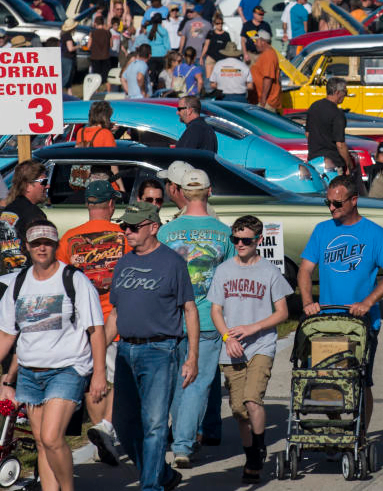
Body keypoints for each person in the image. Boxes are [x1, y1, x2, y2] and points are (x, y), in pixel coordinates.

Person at [0, 222, 107, 491]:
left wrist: (98, 373)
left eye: (47, 243)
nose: (41, 248)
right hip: (29, 372)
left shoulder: (74, 280)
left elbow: (95, 330)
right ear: (26, 247)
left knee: (51, 437)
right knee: (40, 441)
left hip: (67, 369)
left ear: (56, 245)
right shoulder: (19, 282)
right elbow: (6, 333)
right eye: (36, 243)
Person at [105, 201, 198, 491]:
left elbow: (190, 309)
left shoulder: (173, 263)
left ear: (153, 227)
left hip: (160, 351)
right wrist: (94, 352)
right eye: (125, 227)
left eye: (134, 227)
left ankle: (151, 486)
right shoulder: (124, 262)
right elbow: (116, 314)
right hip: (125, 351)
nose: (127, 232)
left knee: (155, 425)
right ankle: (163, 475)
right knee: (123, 423)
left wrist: (192, 356)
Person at [298, 176, 383, 429]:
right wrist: (308, 302)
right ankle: (337, 427)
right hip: (327, 321)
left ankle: (359, 434)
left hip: (361, 322)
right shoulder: (322, 231)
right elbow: (304, 270)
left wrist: (367, 302)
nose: (332, 208)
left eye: (337, 203)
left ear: (354, 200)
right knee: (326, 379)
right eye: (328, 203)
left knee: (360, 379)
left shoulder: (375, 234)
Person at [158, 169, 233, 469]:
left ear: (182, 194)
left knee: (180, 380)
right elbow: (228, 280)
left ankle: (181, 437)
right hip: (206, 318)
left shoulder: (165, 233)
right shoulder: (224, 233)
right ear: (209, 191)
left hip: (171, 318)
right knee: (198, 382)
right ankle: (184, 444)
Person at [208, 215, 291, 483]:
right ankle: (252, 450)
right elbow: (216, 310)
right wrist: (226, 337)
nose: (240, 244)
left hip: (261, 346)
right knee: (238, 411)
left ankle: (256, 454)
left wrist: (253, 328)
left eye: (246, 240)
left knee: (252, 400)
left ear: (259, 240)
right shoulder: (223, 271)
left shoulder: (269, 271)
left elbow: (282, 313)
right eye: (236, 239)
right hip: (231, 349)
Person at [56, 179, 129, 466]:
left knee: (92, 385)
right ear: (111, 204)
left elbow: (62, 281)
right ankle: (106, 435)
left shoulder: (70, 239)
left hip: (82, 323)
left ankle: (101, 438)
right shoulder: (124, 236)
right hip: (115, 319)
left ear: (88, 205)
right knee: (118, 380)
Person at [0, 159, 49, 270]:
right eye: (43, 182)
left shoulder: (8, 210)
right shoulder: (34, 214)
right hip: (31, 276)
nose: (47, 185)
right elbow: (44, 252)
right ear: (28, 186)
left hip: (11, 275)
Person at [306, 77, 356, 177]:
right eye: (344, 91)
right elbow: (340, 144)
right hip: (333, 164)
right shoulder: (337, 114)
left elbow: (308, 134)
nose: (345, 95)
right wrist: (349, 165)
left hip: (314, 162)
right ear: (337, 92)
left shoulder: (314, 107)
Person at [248, 25, 281, 111]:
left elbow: (268, 78)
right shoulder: (266, 54)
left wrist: (262, 101)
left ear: (263, 41)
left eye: (257, 41)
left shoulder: (268, 55)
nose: (255, 43)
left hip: (267, 103)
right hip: (263, 101)